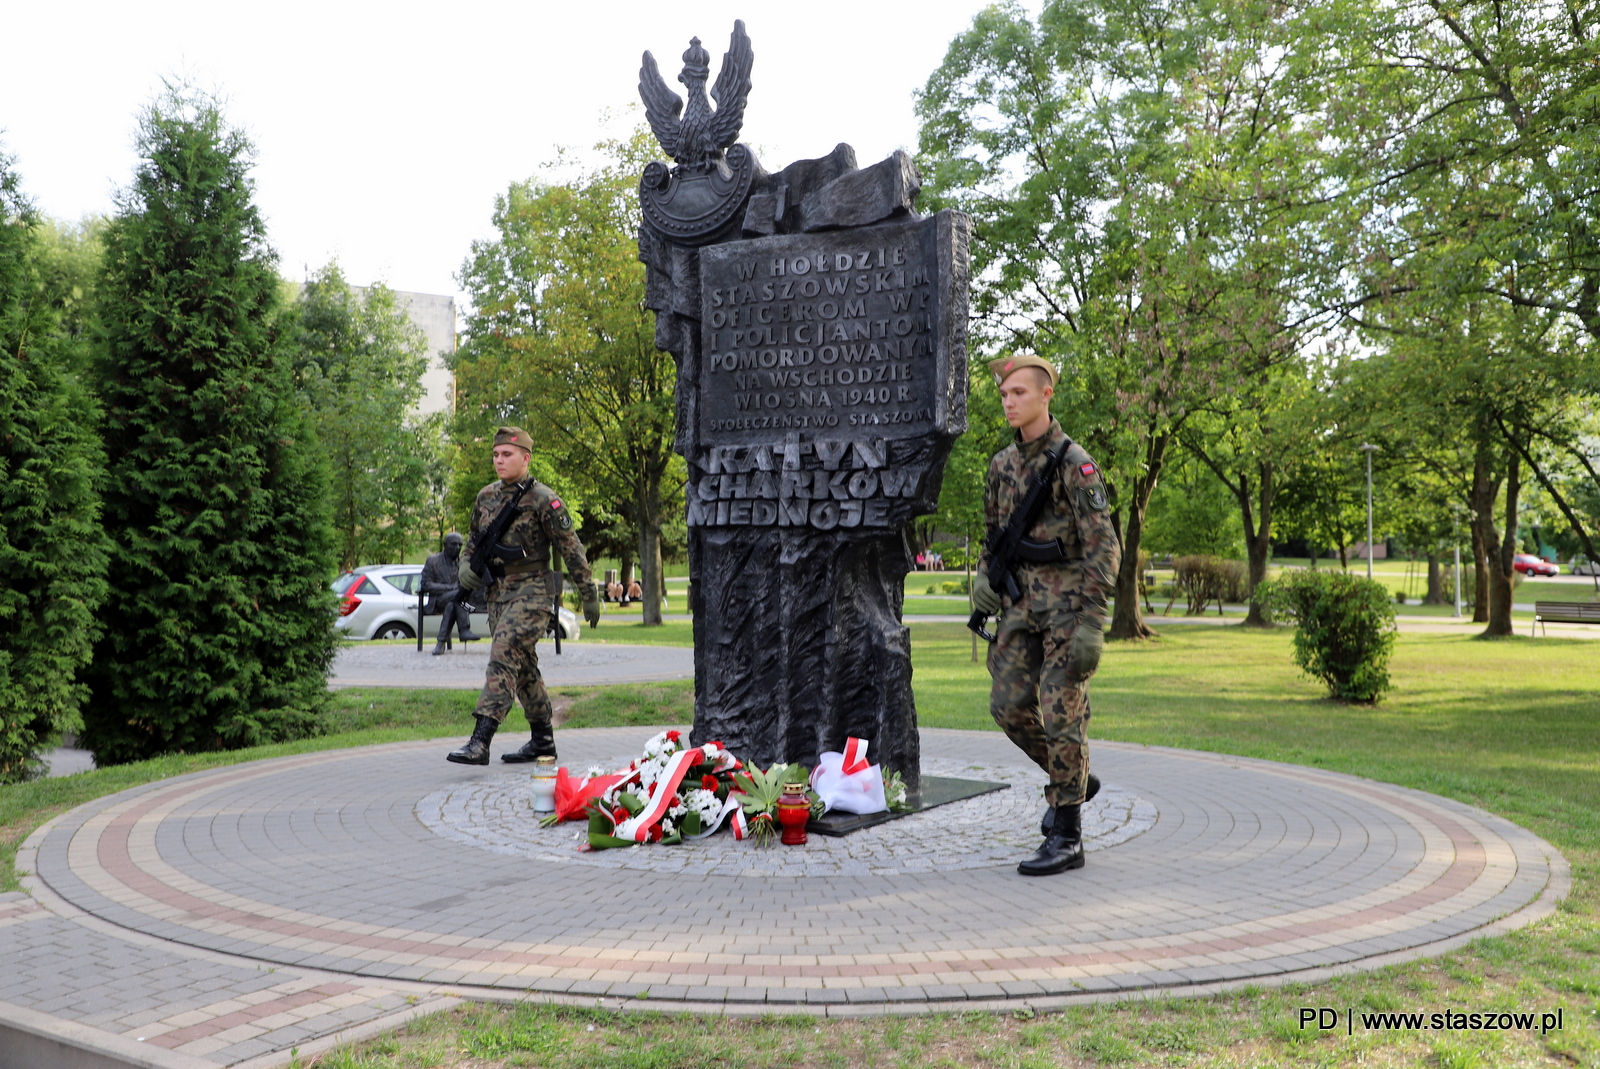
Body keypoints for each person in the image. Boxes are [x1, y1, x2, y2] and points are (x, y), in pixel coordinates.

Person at [972, 355, 1119, 876]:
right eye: (1004, 394)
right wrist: (984, 579)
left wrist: (1093, 621)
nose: (1008, 401)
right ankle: (1074, 778)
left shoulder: (1075, 463)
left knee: (1062, 714)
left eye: (1018, 392)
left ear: (1045, 394)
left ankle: (1067, 832)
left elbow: (1105, 547)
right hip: (1018, 606)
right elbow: (994, 537)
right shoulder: (999, 466)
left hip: (1067, 612)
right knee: (1007, 705)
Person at [447, 427, 602, 766]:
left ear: (526, 458)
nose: (499, 460)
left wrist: (588, 592)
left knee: (503, 655)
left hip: (532, 592)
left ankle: (480, 740)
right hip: (498, 595)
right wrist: (464, 567)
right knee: (524, 667)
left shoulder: (544, 499)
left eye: (507, 455)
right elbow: (473, 538)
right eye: (496, 454)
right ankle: (543, 741)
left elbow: (571, 548)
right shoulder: (485, 496)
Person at [421, 532, 479, 655]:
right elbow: (425, 584)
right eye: (453, 544)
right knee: (457, 595)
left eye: (459, 545)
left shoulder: (463, 563)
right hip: (438, 600)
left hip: (458, 602)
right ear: (445, 545)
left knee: (452, 605)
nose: (457, 548)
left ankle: (440, 644)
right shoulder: (433, 561)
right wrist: (450, 588)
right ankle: (464, 630)